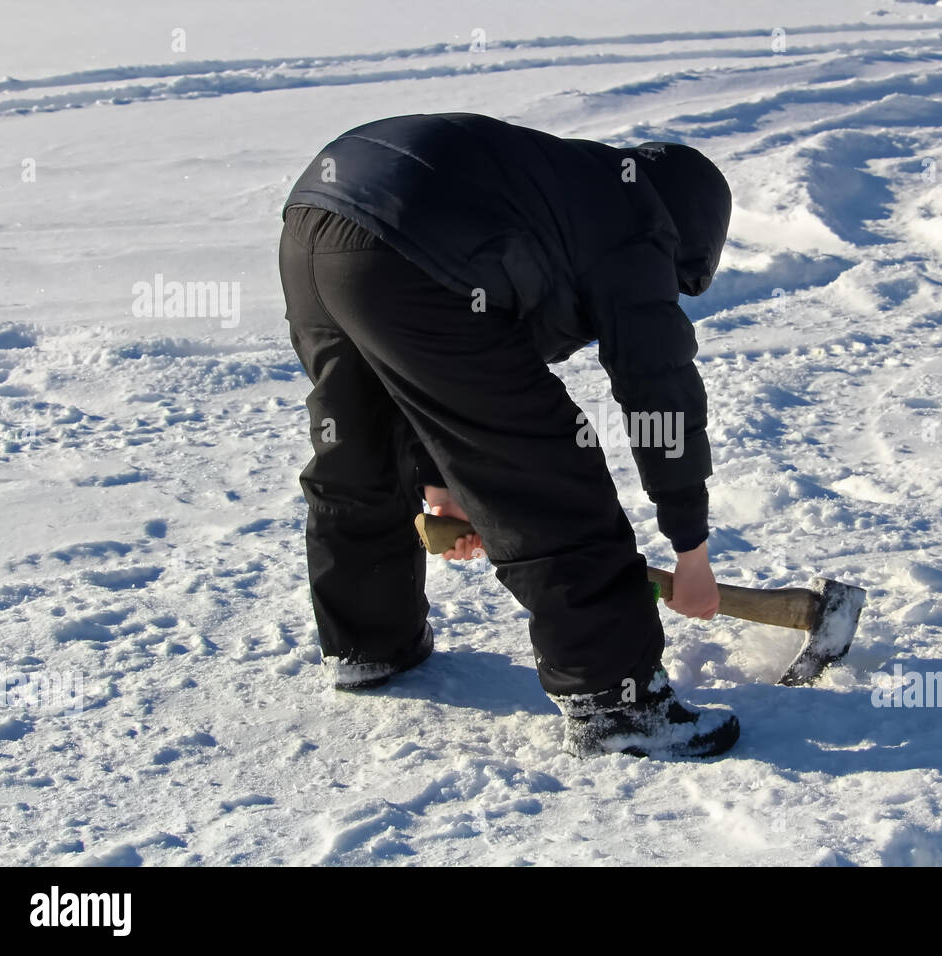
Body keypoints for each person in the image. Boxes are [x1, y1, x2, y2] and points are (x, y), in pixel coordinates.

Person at [277, 112, 737, 758]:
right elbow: (660, 395)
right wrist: (691, 552)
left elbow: (426, 379)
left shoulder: (567, 187)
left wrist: (441, 484)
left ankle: (368, 642)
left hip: (317, 219)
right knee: (547, 471)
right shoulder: (636, 224)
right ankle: (619, 702)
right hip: (408, 242)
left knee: (360, 435)